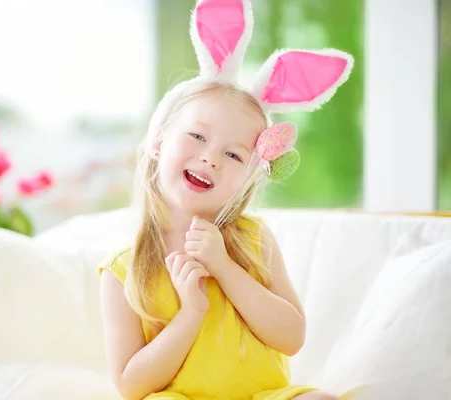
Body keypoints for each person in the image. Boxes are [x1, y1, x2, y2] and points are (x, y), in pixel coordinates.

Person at [99, 0, 354, 399]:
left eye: (234, 155)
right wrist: (191, 314)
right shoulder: (123, 271)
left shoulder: (253, 239)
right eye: (197, 136)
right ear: (158, 142)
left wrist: (224, 267)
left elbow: (291, 337)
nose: (210, 158)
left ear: (248, 176)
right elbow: (131, 385)